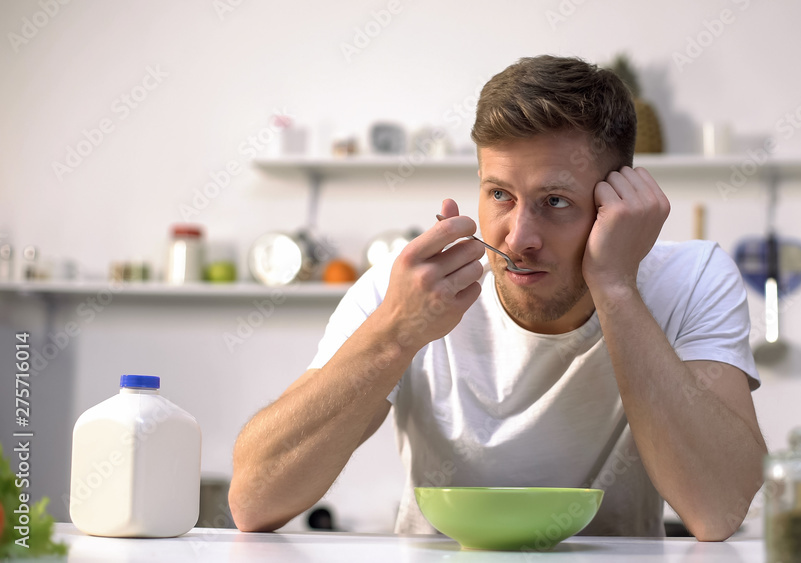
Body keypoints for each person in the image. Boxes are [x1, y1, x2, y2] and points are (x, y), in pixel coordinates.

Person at [229, 55, 766, 541]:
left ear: (615, 202)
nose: (518, 237)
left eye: (555, 200)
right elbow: (254, 501)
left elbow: (717, 510)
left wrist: (617, 286)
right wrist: (397, 332)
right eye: (500, 195)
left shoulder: (691, 278)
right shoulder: (404, 292)